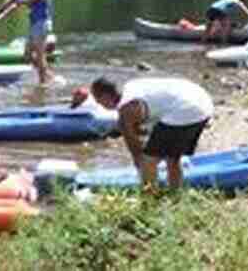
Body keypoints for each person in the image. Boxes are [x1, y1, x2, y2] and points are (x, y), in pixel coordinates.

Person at [75, 77, 214, 191]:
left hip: (185, 109)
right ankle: (175, 194)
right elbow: (149, 121)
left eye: (98, 100)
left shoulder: (127, 110)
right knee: (172, 157)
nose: (98, 104)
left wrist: (141, 166)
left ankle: (149, 201)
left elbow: (136, 152)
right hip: (202, 102)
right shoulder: (130, 87)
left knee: (148, 161)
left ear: (105, 96)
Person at [3, 0, 55, 86]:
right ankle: (48, 76)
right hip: (34, 23)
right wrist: (8, 3)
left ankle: (43, 83)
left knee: (39, 54)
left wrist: (18, 1)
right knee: (27, 55)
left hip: (42, 23)